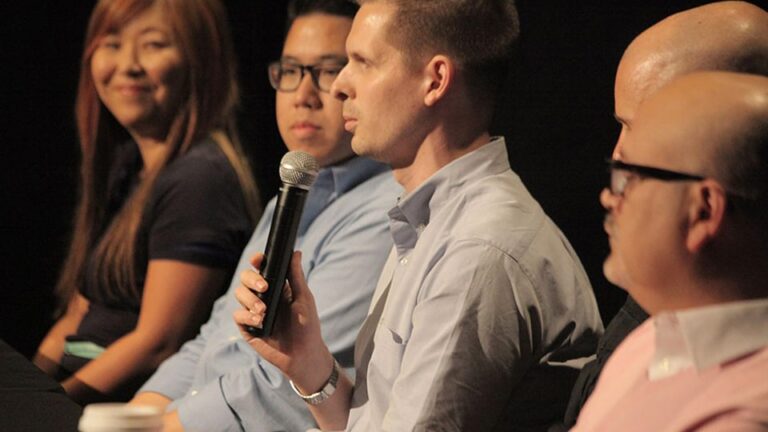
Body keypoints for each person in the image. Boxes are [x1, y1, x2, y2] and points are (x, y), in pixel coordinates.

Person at [234, 1, 603, 430]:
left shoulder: (478, 249)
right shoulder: (431, 218)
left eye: (362, 63)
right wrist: (307, 362)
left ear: (435, 80)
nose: (340, 87)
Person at [131, 1, 401, 431]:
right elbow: (214, 339)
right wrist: (137, 414)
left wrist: (161, 428)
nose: (304, 96)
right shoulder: (291, 195)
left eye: (329, 71)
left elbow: (281, 384)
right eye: (290, 71)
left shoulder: (386, 209)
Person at [32, 0, 260, 404]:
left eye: (153, 44)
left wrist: (43, 409)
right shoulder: (129, 167)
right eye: (112, 44)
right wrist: (24, 394)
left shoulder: (199, 179)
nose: (128, 65)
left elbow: (156, 343)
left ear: (200, 59)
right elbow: (76, 316)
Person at [561, 2, 768, 425]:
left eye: (640, 171)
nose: (611, 193)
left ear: (704, 209)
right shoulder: (652, 338)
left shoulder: (741, 414)